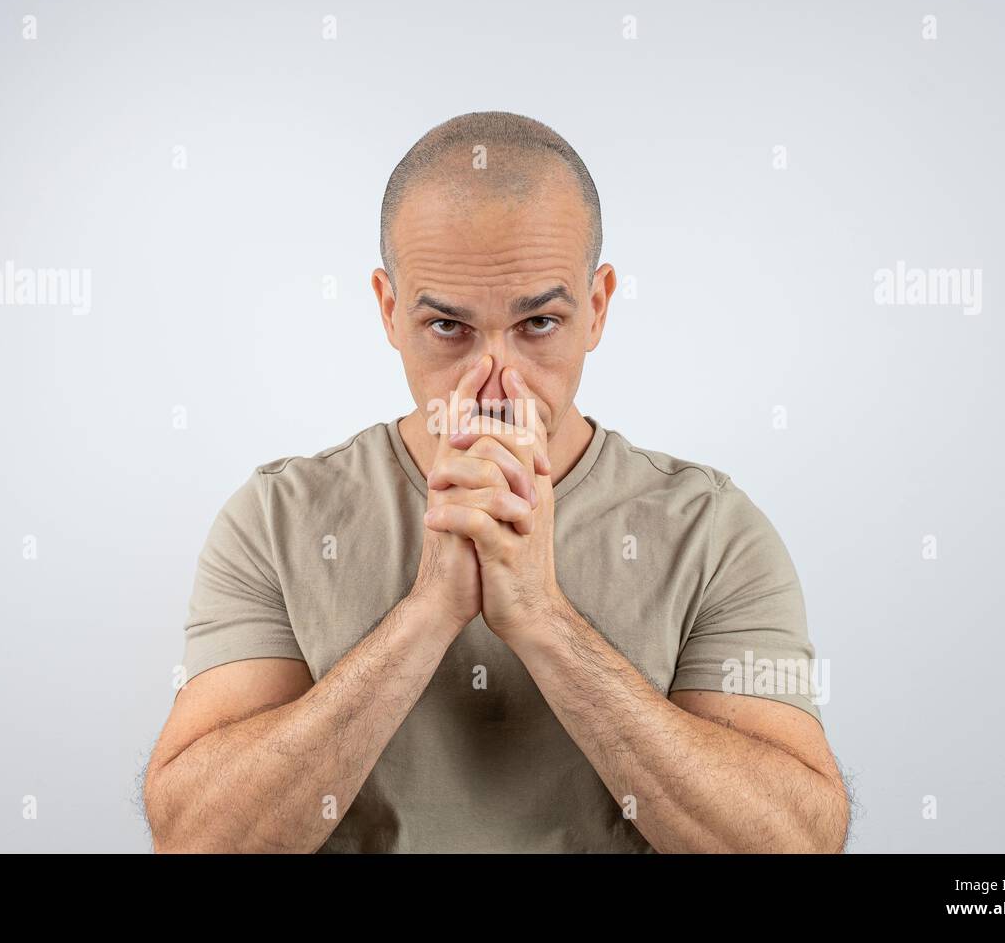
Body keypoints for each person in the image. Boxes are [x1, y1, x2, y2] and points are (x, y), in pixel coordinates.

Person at [142, 111, 850, 853]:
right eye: (448, 327)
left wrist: (542, 618)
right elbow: (196, 839)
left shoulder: (713, 531)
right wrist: (427, 615)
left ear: (597, 307)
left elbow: (795, 844)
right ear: (390, 310)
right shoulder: (278, 519)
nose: (494, 381)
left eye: (538, 323)